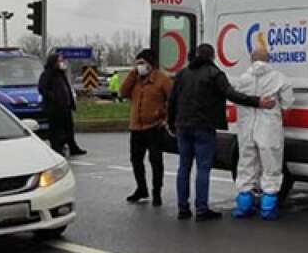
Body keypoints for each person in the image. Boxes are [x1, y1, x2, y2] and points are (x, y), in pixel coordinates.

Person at [167, 44, 274, 221]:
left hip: (182, 126)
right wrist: (258, 102)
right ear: (212, 57)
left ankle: (183, 208)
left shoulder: (182, 74)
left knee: (184, 167)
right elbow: (232, 95)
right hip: (204, 127)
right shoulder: (214, 74)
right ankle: (201, 209)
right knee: (203, 168)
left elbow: (172, 100)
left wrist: (171, 122)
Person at [230, 47, 294, 220]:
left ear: (251, 59)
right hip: (269, 129)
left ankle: (244, 205)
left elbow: (236, 99)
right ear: (268, 59)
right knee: (271, 166)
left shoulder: (242, 79)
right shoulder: (279, 78)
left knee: (246, 165)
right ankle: (268, 207)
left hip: (246, 128)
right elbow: (288, 104)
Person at [120, 49, 173, 206]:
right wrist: (132, 74)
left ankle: (157, 192)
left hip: (154, 127)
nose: (140, 66)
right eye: (137, 64)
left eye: (142, 63)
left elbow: (173, 99)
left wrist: (165, 117)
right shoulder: (135, 79)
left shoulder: (162, 80)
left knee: (156, 161)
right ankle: (141, 189)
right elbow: (122, 92)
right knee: (136, 160)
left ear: (150, 64)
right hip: (136, 127)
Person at [38, 52, 88, 157]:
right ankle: (57, 148)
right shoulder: (47, 74)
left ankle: (73, 147)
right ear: (54, 62)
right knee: (56, 130)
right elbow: (42, 89)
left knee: (69, 127)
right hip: (54, 108)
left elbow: (67, 89)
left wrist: (71, 102)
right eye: (59, 61)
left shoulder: (61, 74)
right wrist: (54, 97)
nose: (61, 63)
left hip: (65, 106)